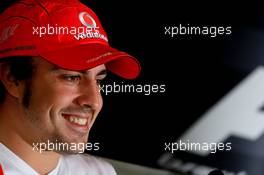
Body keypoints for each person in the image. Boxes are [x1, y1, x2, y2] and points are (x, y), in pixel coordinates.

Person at [0, 0, 141, 174]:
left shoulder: (100, 172)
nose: (94, 101)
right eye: (71, 77)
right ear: (11, 78)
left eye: (98, 81)